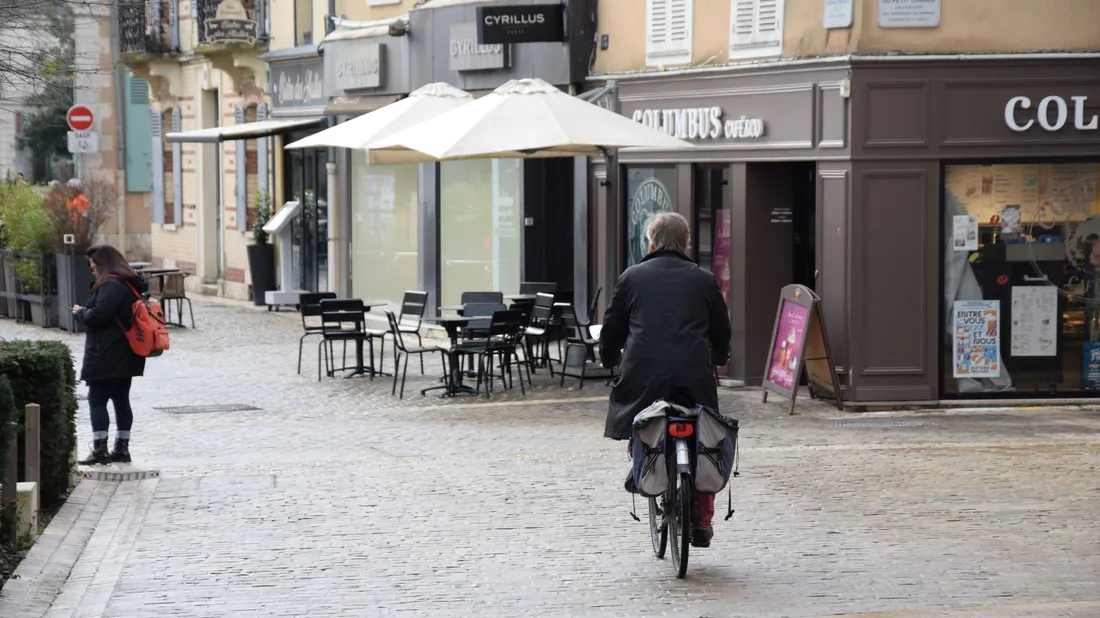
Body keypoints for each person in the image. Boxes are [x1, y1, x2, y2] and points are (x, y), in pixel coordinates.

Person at [599, 212, 731, 548]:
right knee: (703, 442)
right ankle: (701, 520)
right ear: (686, 243)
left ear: (652, 242)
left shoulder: (632, 277)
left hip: (644, 374)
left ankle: (641, 467)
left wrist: (609, 358)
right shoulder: (703, 279)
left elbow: (613, 327)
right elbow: (721, 329)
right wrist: (718, 356)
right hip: (694, 374)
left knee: (640, 419)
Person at [73, 245, 148, 465]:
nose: (91, 269)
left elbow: (99, 316)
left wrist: (80, 313)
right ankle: (121, 448)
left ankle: (100, 450)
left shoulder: (112, 284)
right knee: (121, 400)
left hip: (107, 352)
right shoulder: (126, 283)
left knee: (97, 399)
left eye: (92, 265)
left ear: (102, 262)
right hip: (126, 352)